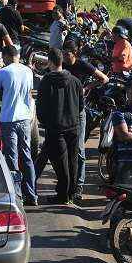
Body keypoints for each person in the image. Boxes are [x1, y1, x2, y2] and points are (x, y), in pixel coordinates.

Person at [0, 46, 37, 205]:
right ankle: (32, 194)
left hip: (8, 119)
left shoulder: (2, 72)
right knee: (27, 156)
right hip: (25, 118)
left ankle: (17, 196)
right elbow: (30, 92)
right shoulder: (28, 71)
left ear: (6, 56)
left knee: (11, 158)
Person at [37, 48, 84, 204]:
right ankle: (70, 192)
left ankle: (63, 195)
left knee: (61, 164)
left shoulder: (46, 81)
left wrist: (45, 122)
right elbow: (81, 106)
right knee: (72, 162)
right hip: (73, 127)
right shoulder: (76, 81)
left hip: (55, 129)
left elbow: (41, 107)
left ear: (50, 62)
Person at [62, 40, 108, 199]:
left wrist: (87, 87)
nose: (65, 57)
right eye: (63, 53)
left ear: (74, 54)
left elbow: (104, 79)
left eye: (67, 54)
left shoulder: (83, 65)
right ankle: (66, 184)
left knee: (80, 149)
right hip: (62, 110)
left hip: (79, 110)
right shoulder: (61, 65)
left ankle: (79, 186)